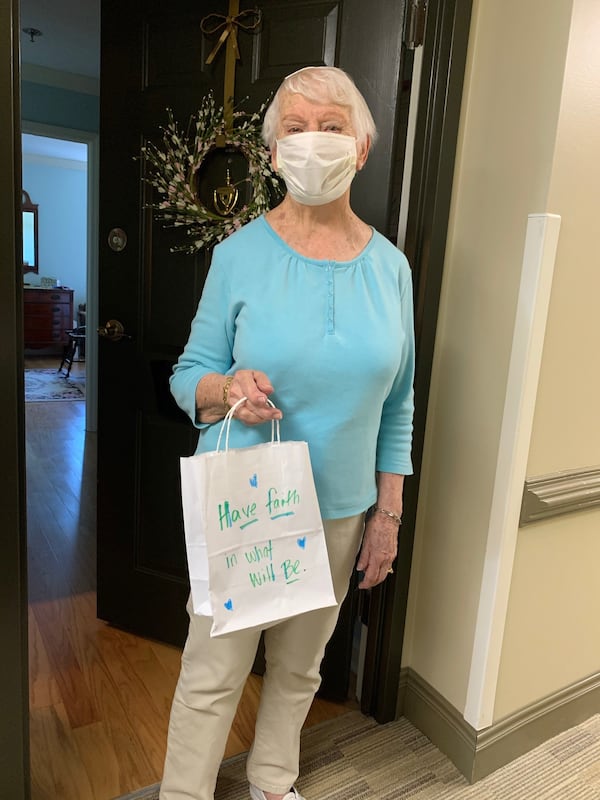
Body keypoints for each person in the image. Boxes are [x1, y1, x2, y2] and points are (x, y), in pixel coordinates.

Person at [161, 66, 415, 800]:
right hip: (247, 500)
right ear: (272, 154)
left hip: (339, 509)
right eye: (295, 129)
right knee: (213, 672)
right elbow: (189, 374)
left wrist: (386, 515)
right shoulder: (239, 255)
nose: (312, 143)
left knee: (303, 667)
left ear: (361, 148)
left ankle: (274, 781)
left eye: (331, 127)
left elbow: (399, 403)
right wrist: (224, 388)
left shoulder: (391, 269)